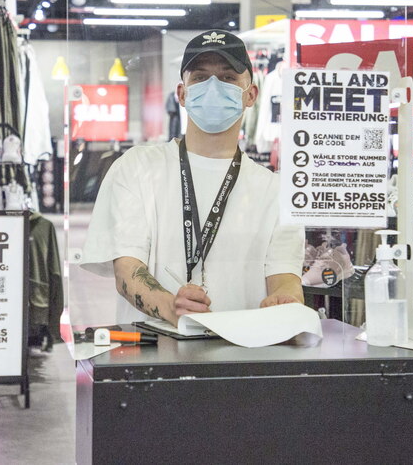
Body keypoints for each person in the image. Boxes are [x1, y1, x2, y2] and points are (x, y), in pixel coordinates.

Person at [81, 29, 305, 326]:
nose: (213, 86)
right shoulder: (137, 167)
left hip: (241, 355)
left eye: (227, 77)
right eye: (200, 77)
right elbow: (127, 270)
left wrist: (285, 300)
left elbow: (284, 276)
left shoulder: (274, 189)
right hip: (156, 357)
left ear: (250, 95)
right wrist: (172, 307)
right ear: (182, 94)